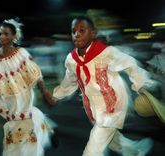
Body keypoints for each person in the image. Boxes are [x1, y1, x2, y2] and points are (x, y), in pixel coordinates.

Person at [51, 16, 156, 156]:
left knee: (93, 150)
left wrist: (142, 83)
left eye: (82, 30)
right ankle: (136, 151)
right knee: (113, 141)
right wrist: (56, 95)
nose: (77, 34)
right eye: (73, 31)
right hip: (93, 107)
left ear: (93, 33)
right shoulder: (71, 59)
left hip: (113, 105)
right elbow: (70, 81)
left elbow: (130, 64)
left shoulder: (106, 53)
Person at [0, 18, 56, 156]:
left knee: (21, 122)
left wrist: (44, 92)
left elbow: (35, 72)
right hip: (6, 95)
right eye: (0, 33)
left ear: (14, 36)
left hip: (23, 94)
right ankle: (47, 130)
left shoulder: (21, 53)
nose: (2, 36)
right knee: (17, 120)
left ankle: (26, 151)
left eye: (6, 34)